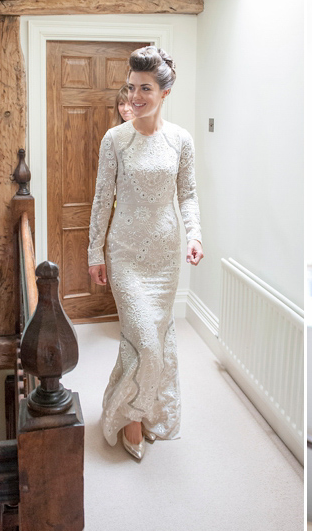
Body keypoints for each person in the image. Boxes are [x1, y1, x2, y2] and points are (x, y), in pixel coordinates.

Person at [87, 46, 204, 461]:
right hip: (126, 254)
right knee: (144, 342)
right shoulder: (115, 139)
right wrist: (93, 253)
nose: (135, 96)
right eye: (132, 87)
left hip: (165, 255)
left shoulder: (181, 140)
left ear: (164, 91)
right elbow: (102, 200)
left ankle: (148, 412)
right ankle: (130, 417)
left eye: (145, 88)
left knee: (156, 338)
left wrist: (195, 235)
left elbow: (187, 194)